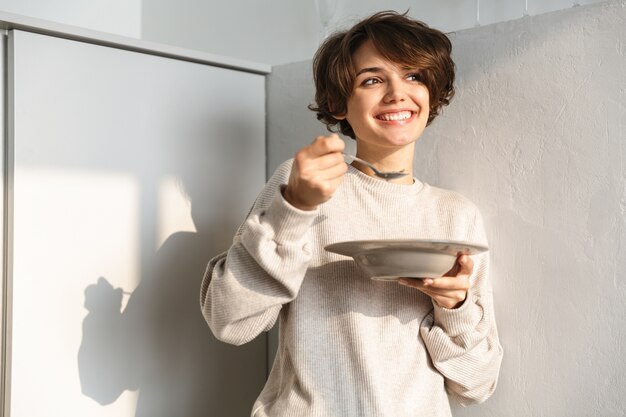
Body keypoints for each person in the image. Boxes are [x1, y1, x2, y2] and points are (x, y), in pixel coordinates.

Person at [200, 10, 503, 417]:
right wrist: (295, 208)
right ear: (338, 103)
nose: (397, 92)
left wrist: (456, 307)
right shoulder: (302, 182)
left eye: (413, 76)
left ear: (432, 93)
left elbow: (476, 385)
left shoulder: (455, 214)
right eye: (373, 79)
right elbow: (230, 322)